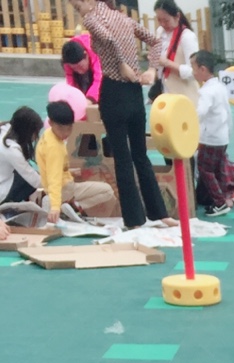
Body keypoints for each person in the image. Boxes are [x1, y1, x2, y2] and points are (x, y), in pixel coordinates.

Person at [70, 0, 168, 231]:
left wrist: (121, 64)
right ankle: (159, 214)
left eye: (78, 6)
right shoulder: (123, 18)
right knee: (141, 155)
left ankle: (134, 220)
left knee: (123, 159)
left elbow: (109, 39)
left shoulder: (91, 18)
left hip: (113, 91)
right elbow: (155, 41)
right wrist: (151, 69)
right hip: (134, 91)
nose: (79, 11)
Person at [36, 100, 116, 223]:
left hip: (54, 186)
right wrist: (55, 207)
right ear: (50, 123)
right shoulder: (55, 148)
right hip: (65, 189)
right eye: (61, 128)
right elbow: (54, 178)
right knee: (107, 191)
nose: (65, 133)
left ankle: (66, 205)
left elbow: (51, 168)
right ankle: (71, 206)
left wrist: (71, 172)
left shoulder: (47, 136)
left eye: (69, 128)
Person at [192, 51, 234, 216]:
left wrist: (188, 124)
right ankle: (225, 196)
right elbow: (227, 112)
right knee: (219, 169)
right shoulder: (219, 87)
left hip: (210, 137)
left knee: (204, 168)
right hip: (222, 136)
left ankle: (219, 203)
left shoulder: (206, 91)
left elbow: (200, 112)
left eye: (193, 67)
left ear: (203, 69)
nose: (192, 71)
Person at [152, 0, 199, 103]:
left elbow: (195, 72)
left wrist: (167, 63)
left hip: (185, 97)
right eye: (159, 20)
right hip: (166, 95)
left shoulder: (187, 37)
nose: (162, 24)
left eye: (166, 20)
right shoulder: (160, 32)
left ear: (177, 16)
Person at [0, 108, 42, 207]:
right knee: (29, 180)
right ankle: (7, 204)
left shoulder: (4, 128)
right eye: (35, 132)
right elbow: (34, 180)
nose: (36, 136)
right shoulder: (11, 149)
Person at [62, 36, 102, 104]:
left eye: (80, 67)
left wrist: (90, 99)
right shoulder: (67, 57)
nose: (79, 71)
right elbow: (70, 80)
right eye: (74, 68)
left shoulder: (95, 50)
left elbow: (99, 79)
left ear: (86, 55)